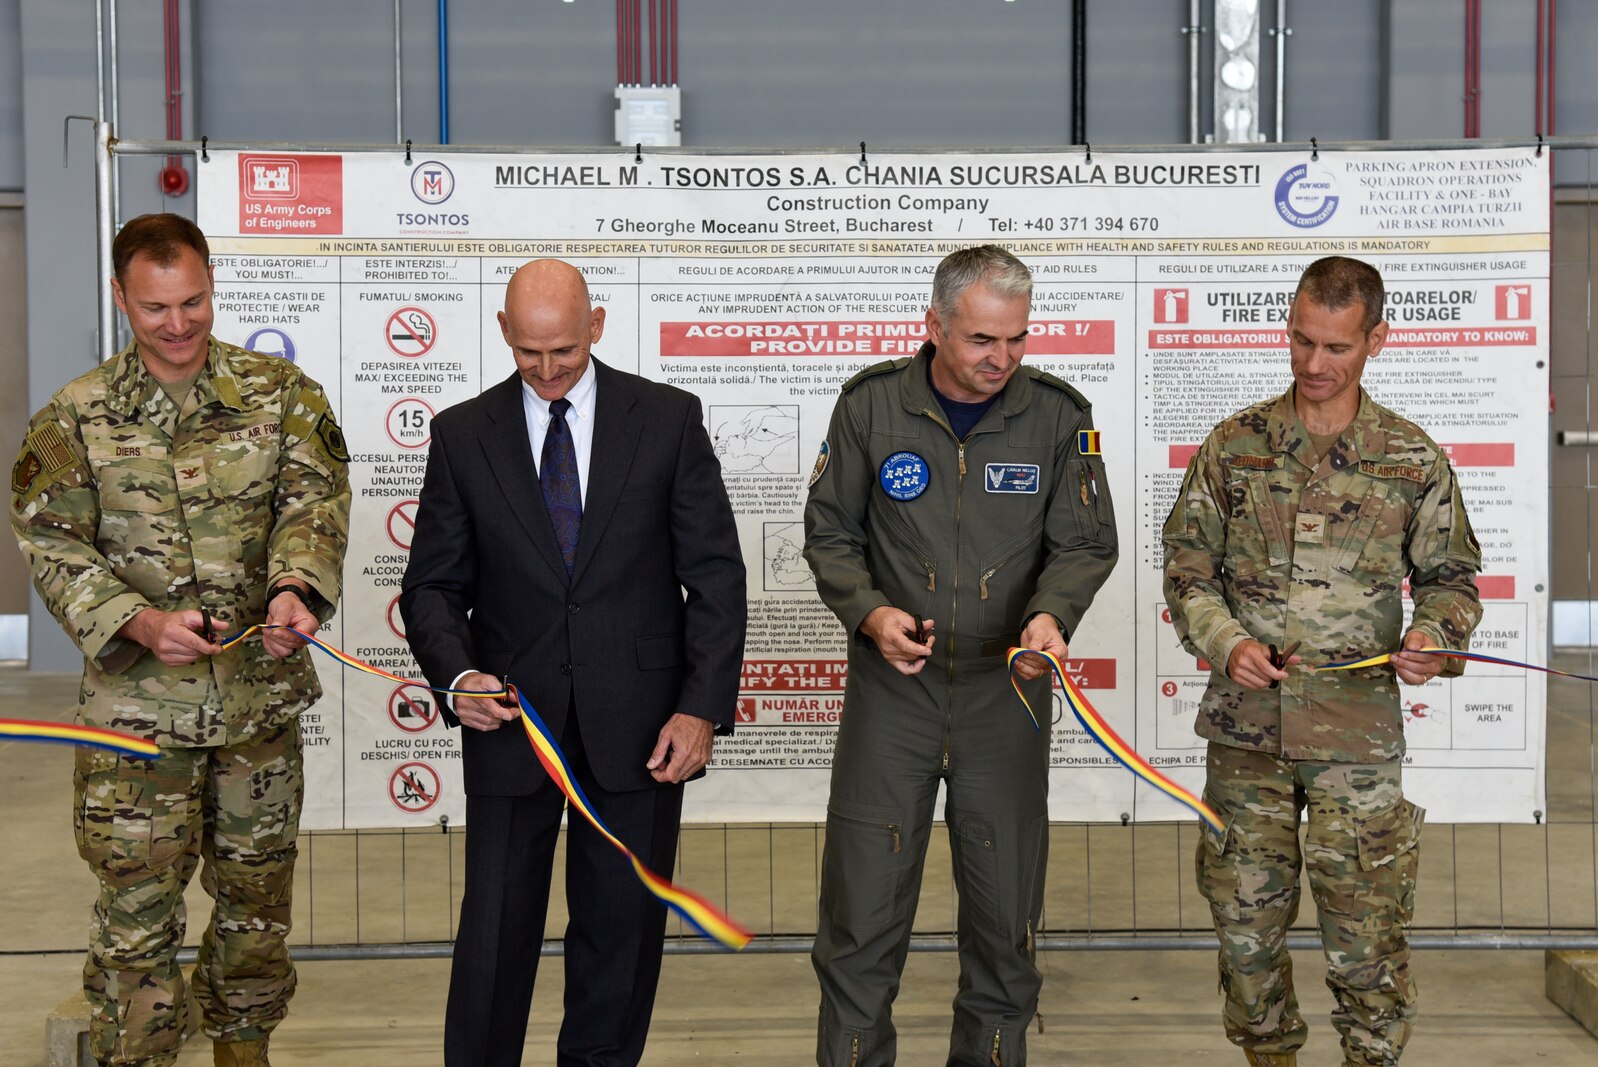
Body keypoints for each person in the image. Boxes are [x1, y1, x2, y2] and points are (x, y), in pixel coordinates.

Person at [10, 213, 351, 1067]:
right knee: (136, 920)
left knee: (255, 907)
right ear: (122, 297)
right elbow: (50, 542)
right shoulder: (77, 416)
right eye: (157, 306)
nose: (179, 323)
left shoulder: (283, 396)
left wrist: (294, 588)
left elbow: (314, 506)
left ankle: (245, 1052)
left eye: (193, 301)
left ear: (210, 287)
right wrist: (139, 621)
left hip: (256, 712)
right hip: (134, 721)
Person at [399, 259, 746, 1067]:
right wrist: (457, 678)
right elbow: (431, 588)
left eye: (564, 350)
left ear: (595, 322)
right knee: (492, 937)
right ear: (502, 334)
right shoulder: (461, 433)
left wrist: (700, 709)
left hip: (643, 729)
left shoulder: (666, 419)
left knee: (619, 936)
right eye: (529, 353)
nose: (549, 371)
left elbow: (717, 576)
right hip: (511, 723)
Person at [1162, 256, 1483, 1067]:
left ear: (1378, 338)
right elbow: (1187, 570)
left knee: (1368, 942)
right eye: (1301, 340)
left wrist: (1435, 640)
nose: (1313, 364)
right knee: (1246, 942)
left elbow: (1451, 580)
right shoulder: (1236, 447)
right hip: (1247, 739)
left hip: (1357, 742)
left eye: (1336, 347)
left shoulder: (1411, 458)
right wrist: (1226, 640)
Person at [804, 244, 1119, 1066]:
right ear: (935, 325)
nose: (1002, 359)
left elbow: (1084, 544)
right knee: (861, 923)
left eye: (1016, 339)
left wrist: (1051, 617)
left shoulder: (1058, 415)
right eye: (983, 339)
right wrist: (871, 614)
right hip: (892, 696)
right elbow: (829, 533)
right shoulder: (870, 408)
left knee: (1004, 923)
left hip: (1003, 695)